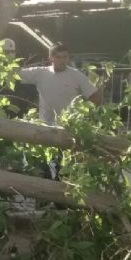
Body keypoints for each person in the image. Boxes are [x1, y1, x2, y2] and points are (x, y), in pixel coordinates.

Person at [19, 43, 102, 180]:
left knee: (64, 171)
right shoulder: (40, 73)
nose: (62, 60)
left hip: (67, 130)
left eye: (65, 57)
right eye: (58, 57)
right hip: (44, 128)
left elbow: (95, 97)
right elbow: (14, 74)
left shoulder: (76, 76)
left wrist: (84, 114)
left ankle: (61, 200)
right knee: (41, 169)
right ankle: (43, 198)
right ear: (51, 58)